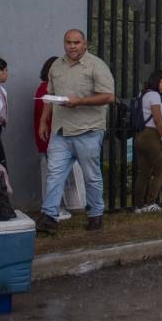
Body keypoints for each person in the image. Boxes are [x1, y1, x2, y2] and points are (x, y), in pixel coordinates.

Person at [37, 29, 115, 234]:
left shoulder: (96, 65)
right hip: (61, 130)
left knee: (91, 175)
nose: (72, 46)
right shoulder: (56, 66)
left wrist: (80, 101)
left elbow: (109, 96)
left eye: (76, 42)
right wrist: (44, 121)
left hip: (88, 130)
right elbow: (50, 95)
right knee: (54, 174)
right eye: (68, 42)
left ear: (85, 43)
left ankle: (96, 214)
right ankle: (49, 216)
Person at [34, 56, 83, 221]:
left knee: (56, 174)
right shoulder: (45, 90)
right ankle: (53, 208)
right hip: (51, 137)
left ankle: (56, 207)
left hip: (52, 138)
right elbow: (48, 115)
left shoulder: (43, 89)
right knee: (55, 175)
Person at [133, 70, 162, 213]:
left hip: (140, 135)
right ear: (155, 81)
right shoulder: (154, 95)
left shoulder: (142, 94)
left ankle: (139, 206)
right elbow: (157, 119)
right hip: (151, 135)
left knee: (144, 172)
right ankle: (150, 203)